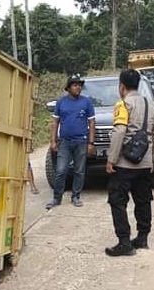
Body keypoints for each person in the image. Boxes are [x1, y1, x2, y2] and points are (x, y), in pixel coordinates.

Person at [105, 69, 154, 256]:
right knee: (143, 200)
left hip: (124, 163)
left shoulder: (123, 104)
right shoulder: (151, 105)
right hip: (144, 163)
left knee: (117, 200)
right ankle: (142, 238)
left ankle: (124, 242)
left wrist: (111, 159)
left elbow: (120, 132)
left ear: (121, 86)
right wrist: (153, 158)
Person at [47, 74, 95, 209]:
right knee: (61, 170)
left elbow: (92, 123)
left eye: (79, 85)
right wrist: (53, 141)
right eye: (75, 85)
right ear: (68, 88)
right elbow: (55, 122)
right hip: (65, 142)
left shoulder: (86, 102)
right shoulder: (61, 102)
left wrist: (91, 143)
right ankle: (57, 198)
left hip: (81, 141)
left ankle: (76, 196)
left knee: (79, 171)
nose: (78, 87)